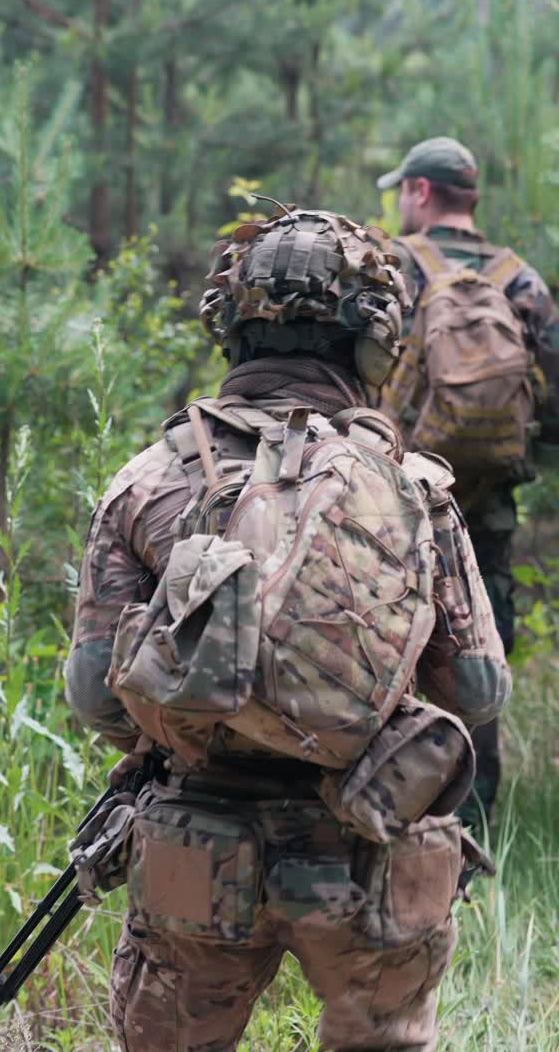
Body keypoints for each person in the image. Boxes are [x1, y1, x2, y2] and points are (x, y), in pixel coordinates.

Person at [65, 208, 511, 1052]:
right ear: (375, 344)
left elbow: (96, 698)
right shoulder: (413, 488)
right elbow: (481, 691)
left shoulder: (149, 479)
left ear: (228, 331)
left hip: (198, 849)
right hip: (372, 847)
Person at [376, 137, 559, 824]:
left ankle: (395, 823)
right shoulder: (522, 281)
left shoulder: (395, 267)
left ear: (421, 192)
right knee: (479, 658)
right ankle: (474, 829)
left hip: (394, 506)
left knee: (390, 653)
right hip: (486, 513)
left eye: (402, 191)